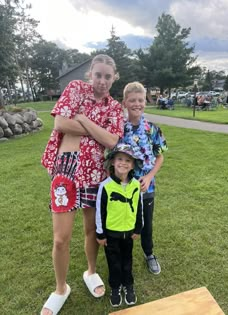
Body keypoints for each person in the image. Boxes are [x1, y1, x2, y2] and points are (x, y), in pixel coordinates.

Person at [40, 54, 124, 315]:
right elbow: (60, 122)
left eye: (107, 76)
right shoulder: (75, 88)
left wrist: (85, 120)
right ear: (90, 73)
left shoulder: (114, 107)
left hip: (96, 174)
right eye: (98, 74)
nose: (102, 80)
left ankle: (90, 272)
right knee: (60, 238)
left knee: (91, 231)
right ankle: (61, 288)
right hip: (66, 169)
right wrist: (99, 130)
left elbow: (112, 141)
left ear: (114, 77)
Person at [120, 82, 168, 275]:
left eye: (140, 100)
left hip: (146, 188)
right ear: (125, 103)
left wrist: (149, 177)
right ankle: (125, 255)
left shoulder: (152, 129)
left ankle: (149, 254)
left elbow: (160, 156)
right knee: (124, 221)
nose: (137, 104)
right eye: (132, 100)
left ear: (145, 102)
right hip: (124, 187)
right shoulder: (119, 129)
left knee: (146, 223)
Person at [96, 143, 143, 307]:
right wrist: (100, 234)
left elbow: (138, 207)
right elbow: (100, 212)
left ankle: (128, 285)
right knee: (114, 262)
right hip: (111, 235)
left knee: (127, 260)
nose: (123, 163)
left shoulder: (136, 185)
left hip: (129, 233)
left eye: (128, 160)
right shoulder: (105, 186)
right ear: (113, 162)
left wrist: (138, 228)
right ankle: (115, 287)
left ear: (132, 165)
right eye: (120, 159)